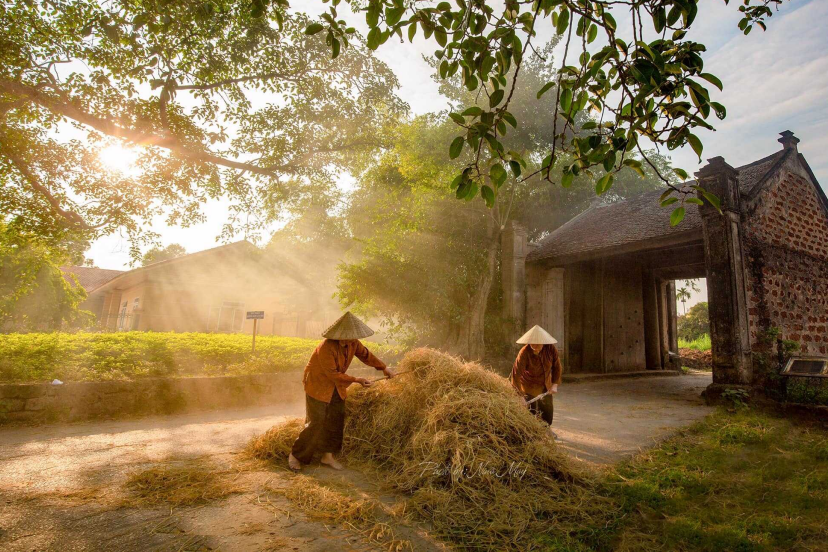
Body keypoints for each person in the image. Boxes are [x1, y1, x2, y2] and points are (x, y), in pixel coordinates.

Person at [288, 311, 393, 471]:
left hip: (337, 386)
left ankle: (327, 457)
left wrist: (383, 368)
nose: (350, 339)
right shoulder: (326, 348)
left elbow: (366, 355)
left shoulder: (353, 344)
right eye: (347, 336)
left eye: (352, 336)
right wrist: (356, 380)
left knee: (336, 420)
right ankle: (296, 455)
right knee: (317, 422)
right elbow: (332, 374)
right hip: (318, 386)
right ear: (338, 335)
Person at [510, 325, 563, 438]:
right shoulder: (524, 352)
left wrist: (554, 385)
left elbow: (557, 367)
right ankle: (531, 432)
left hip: (546, 385)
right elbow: (516, 375)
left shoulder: (551, 349)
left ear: (544, 342)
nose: (535, 347)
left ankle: (546, 429)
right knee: (531, 410)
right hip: (528, 385)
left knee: (547, 408)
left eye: (538, 344)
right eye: (532, 344)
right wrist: (520, 396)